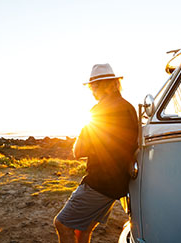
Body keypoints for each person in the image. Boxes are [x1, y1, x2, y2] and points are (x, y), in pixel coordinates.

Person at [54, 63, 138, 243]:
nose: (92, 90)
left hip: (99, 184)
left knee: (62, 224)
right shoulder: (128, 108)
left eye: (94, 86)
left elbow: (78, 151)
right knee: (83, 230)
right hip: (118, 184)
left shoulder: (99, 111)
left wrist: (83, 132)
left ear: (101, 86)